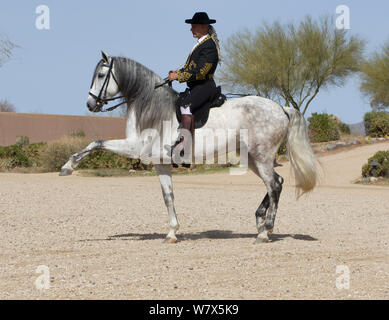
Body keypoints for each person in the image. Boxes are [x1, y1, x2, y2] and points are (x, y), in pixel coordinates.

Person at [168, 12, 221, 167]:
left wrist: (179, 77)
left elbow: (201, 71)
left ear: (204, 27)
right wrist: (176, 73)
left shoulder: (209, 46)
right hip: (196, 86)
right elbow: (190, 67)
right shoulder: (200, 44)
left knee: (186, 107)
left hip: (205, 86)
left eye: (194, 26)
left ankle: (184, 150)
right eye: (191, 26)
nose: (191, 29)